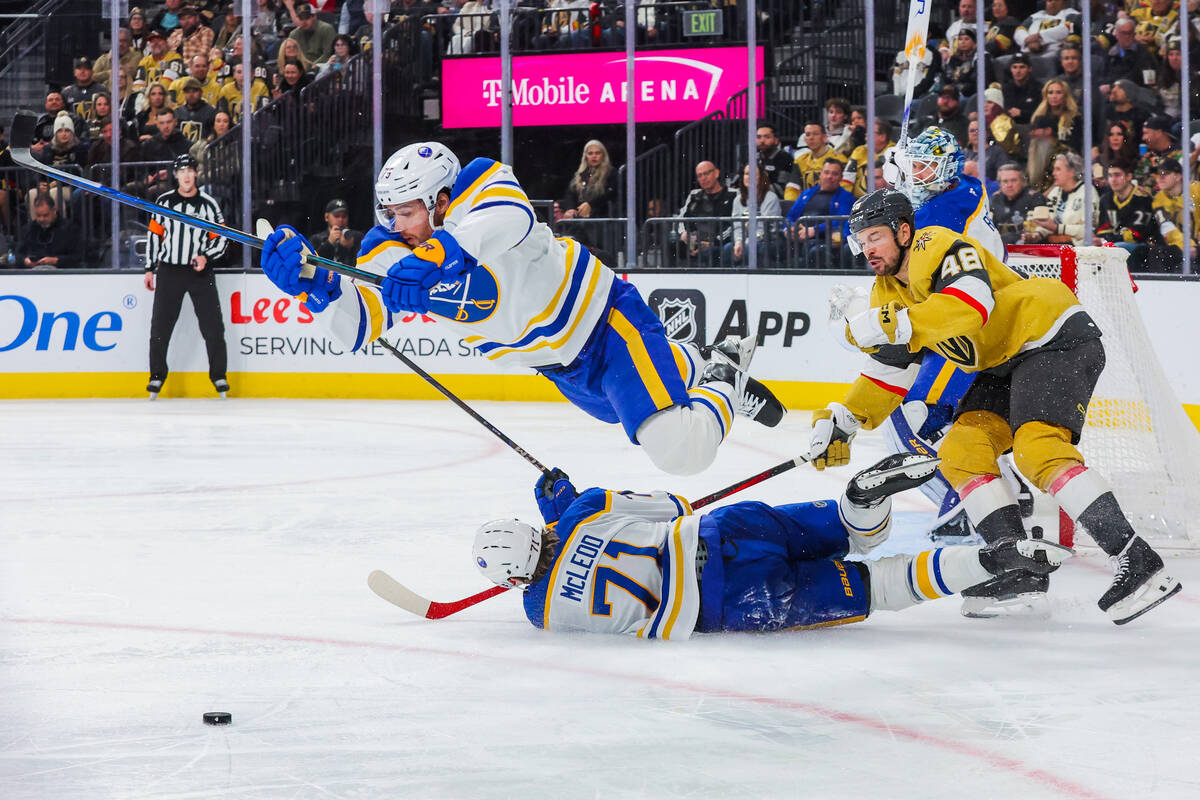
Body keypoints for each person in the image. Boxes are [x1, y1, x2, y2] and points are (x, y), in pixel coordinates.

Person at [259, 143, 785, 475]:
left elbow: (506, 221)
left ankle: (723, 383)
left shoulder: (482, 182)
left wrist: (442, 254)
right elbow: (357, 327)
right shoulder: (389, 245)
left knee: (680, 453)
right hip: (559, 367)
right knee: (638, 411)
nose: (397, 225)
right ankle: (700, 360)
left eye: (408, 211)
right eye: (390, 214)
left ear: (441, 199)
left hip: (606, 325)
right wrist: (314, 288)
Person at [808, 188, 1182, 624]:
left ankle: (1138, 559)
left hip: (1050, 335)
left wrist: (896, 322)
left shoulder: (936, 244)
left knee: (1037, 449)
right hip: (1002, 360)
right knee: (962, 452)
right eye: (861, 240)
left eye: (875, 236)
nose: (867, 249)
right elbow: (892, 370)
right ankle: (1018, 566)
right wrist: (846, 421)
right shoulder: (886, 291)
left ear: (903, 230)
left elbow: (971, 306)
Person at [471, 453, 1073, 639]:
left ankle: (989, 560)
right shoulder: (581, 511)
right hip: (725, 531)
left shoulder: (541, 614)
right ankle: (863, 502)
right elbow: (671, 508)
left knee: (880, 585)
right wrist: (563, 507)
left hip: (736, 601)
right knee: (843, 525)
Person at [144, 154, 230, 400]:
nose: (187, 176)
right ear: (176, 175)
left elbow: (222, 238)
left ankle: (218, 376)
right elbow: (154, 236)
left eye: (190, 171)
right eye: (182, 171)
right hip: (170, 270)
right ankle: (157, 376)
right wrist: (149, 268)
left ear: (196, 174)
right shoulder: (164, 202)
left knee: (213, 326)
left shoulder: (209, 204)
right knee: (160, 326)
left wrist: (206, 256)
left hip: (200, 272)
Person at [786, 158, 855, 268]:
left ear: (841, 178)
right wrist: (789, 229)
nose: (829, 177)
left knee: (815, 251)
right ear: (820, 174)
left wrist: (814, 230)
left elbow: (841, 221)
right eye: (826, 172)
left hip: (826, 240)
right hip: (799, 237)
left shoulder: (846, 197)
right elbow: (791, 216)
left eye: (835, 174)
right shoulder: (807, 194)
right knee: (772, 247)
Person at [670, 160, 736, 267]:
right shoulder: (694, 195)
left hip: (720, 242)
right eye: (700, 175)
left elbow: (735, 224)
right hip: (695, 241)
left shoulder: (733, 194)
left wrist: (714, 242)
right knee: (672, 245)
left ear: (716, 173)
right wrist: (683, 233)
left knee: (709, 252)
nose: (703, 178)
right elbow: (680, 218)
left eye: (706, 173)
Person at [1023, 152, 1097, 246]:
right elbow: (1049, 221)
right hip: (1053, 246)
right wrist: (1037, 234)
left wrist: (1057, 228)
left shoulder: (1088, 192)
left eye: (1058, 169)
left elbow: (1088, 230)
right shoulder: (1055, 192)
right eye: (1054, 169)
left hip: (1078, 247)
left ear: (1072, 172)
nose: (1053, 173)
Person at [1096, 162, 1155, 269]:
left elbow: (1138, 235)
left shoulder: (1142, 198)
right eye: (1110, 175)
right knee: (1086, 249)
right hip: (1113, 243)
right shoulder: (1106, 199)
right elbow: (1103, 229)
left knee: (1115, 249)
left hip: (1142, 246)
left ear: (1129, 177)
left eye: (1117, 175)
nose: (1113, 180)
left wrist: (1107, 240)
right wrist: (1101, 240)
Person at [724, 162, 784, 267]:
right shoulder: (738, 200)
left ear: (761, 177)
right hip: (748, 241)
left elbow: (764, 228)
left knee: (751, 248)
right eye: (747, 174)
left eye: (753, 174)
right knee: (728, 248)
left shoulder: (770, 197)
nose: (749, 177)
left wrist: (746, 243)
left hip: (769, 240)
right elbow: (737, 226)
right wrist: (738, 242)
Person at [1149, 158, 1200, 272]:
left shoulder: (1197, 189)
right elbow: (1167, 228)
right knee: (1157, 253)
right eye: (1158, 174)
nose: (1160, 178)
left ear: (1178, 176)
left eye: (1165, 174)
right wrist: (1188, 246)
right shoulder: (1159, 199)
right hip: (1180, 246)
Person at [15, 196, 83, 269]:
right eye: (38, 215)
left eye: (45, 215)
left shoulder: (70, 229)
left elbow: (78, 256)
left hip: (62, 273)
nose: (41, 219)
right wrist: (25, 261)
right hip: (33, 273)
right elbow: (18, 254)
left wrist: (57, 260)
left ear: (54, 210)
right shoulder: (28, 229)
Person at [784, 122, 847, 200]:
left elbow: (845, 186)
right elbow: (792, 188)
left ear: (824, 137)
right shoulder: (800, 161)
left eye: (815, 134)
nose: (811, 137)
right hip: (808, 205)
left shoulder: (839, 159)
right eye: (808, 134)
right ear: (805, 140)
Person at [991, 162, 1047, 245]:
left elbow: (1041, 228)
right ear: (999, 184)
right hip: (999, 247)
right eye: (1005, 181)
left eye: (1013, 180)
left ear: (1023, 181)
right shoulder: (995, 198)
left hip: (1027, 247)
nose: (1009, 185)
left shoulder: (1035, 197)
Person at [1030, 78, 1083, 154]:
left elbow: (1076, 147)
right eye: (1050, 93)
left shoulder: (1074, 118)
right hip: (1045, 159)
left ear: (1065, 96)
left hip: (1069, 158)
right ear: (1046, 96)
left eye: (1058, 92)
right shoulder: (1040, 119)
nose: (1054, 96)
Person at [310, 198, 361, 265]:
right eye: (336, 216)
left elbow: (362, 264)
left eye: (344, 216)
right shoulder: (316, 239)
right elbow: (312, 263)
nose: (340, 219)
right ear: (327, 217)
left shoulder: (356, 237)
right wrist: (329, 243)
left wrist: (349, 248)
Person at [1136, 115, 1182, 187]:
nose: (1143, 138)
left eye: (1146, 133)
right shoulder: (1148, 156)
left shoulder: (1180, 155)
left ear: (1158, 133)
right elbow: (1139, 179)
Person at [755, 123, 795, 198]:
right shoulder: (754, 158)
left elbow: (781, 189)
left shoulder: (785, 158)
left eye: (767, 137)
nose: (762, 140)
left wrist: (754, 189)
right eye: (758, 137)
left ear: (776, 140)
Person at [1001, 52, 1043, 124]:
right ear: (1011, 69)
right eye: (1015, 67)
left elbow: (1042, 114)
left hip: (1032, 126)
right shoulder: (1005, 89)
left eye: (1022, 67)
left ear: (1029, 69)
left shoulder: (1039, 88)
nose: (1018, 71)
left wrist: (1022, 113)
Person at [174, 77, 217, 141]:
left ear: (201, 92)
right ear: (184, 94)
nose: (191, 95)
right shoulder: (178, 112)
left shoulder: (211, 112)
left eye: (194, 91)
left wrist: (208, 140)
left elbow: (215, 133)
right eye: (188, 92)